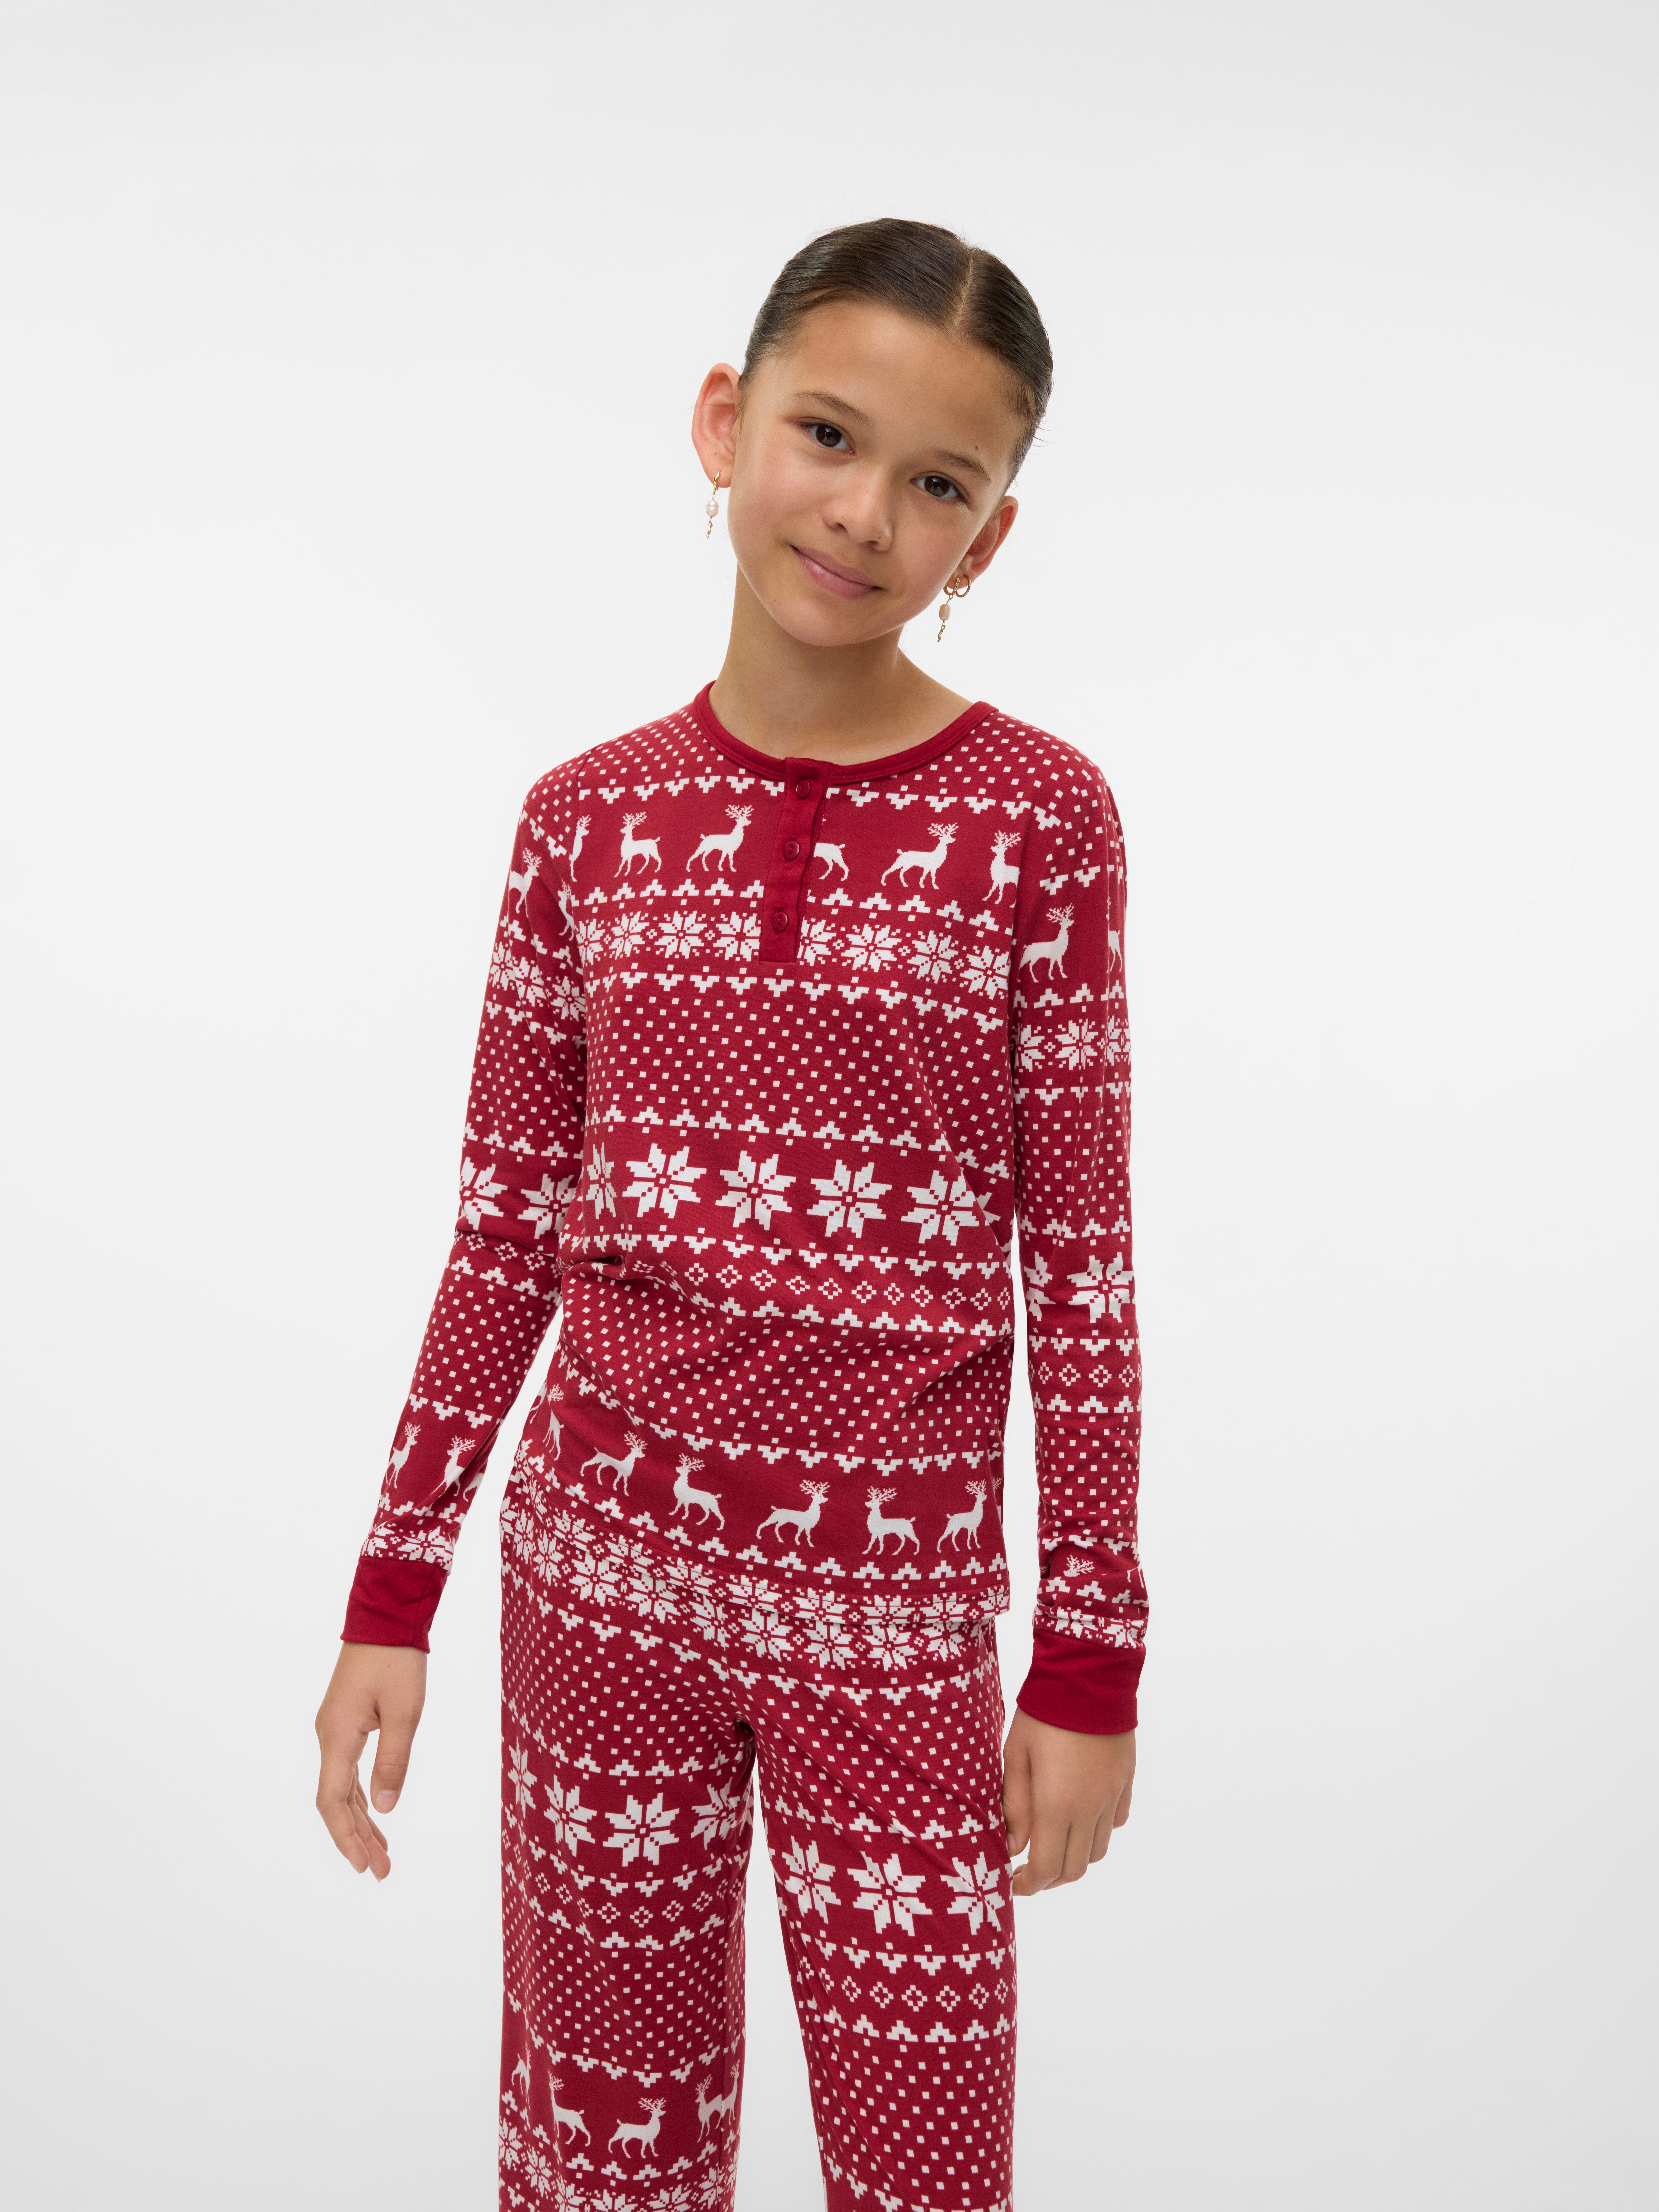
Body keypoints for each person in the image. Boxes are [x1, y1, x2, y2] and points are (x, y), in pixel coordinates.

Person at [314, 215, 1147, 2212]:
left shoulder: (1040, 823)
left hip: (893, 1618)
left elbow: (1082, 1271)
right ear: (724, 422)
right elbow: (504, 1229)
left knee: (925, 2165)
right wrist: (391, 1588)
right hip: (599, 1584)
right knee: (599, 2157)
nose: (863, 513)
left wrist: (1089, 1656)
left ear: (989, 536)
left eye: (936, 482)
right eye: (827, 435)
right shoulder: (583, 819)